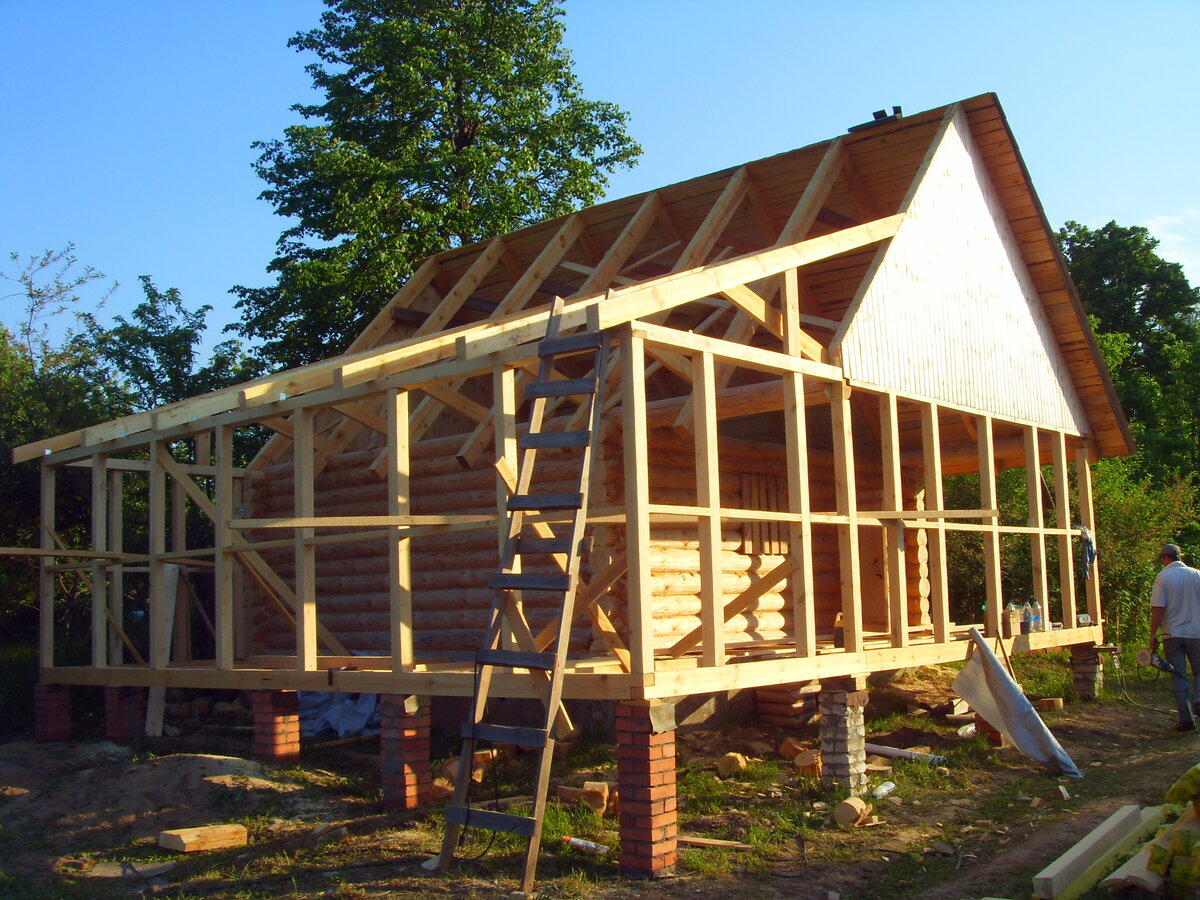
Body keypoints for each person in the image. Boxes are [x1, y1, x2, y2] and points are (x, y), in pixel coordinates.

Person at [1149, 544, 1200, 732]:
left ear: (1165, 558)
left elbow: (1158, 608)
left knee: (1179, 675)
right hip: (1197, 632)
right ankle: (1199, 700)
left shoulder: (1163, 577)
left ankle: (1186, 719)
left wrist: (1153, 634)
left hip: (1173, 634)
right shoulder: (1197, 575)